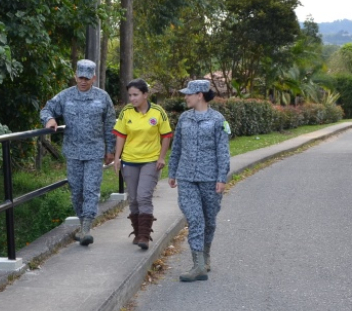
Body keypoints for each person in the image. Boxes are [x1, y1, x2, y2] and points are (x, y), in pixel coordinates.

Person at [40, 60, 116, 246]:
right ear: (75, 76)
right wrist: (49, 120)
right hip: (73, 151)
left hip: (94, 151)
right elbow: (46, 109)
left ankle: (86, 229)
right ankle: (83, 225)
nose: (83, 81)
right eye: (80, 77)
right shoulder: (65, 97)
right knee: (76, 192)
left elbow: (110, 124)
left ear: (94, 78)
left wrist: (111, 150)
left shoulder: (102, 98)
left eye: (87, 78)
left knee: (91, 189)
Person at [167, 79, 230, 282]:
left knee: (209, 221)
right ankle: (197, 265)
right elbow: (176, 147)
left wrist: (222, 178)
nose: (185, 97)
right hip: (186, 177)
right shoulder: (184, 118)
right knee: (195, 220)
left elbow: (223, 151)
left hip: (210, 179)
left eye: (189, 94)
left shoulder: (218, 120)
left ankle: (205, 256)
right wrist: (172, 171)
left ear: (200, 95)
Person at [112, 79, 173, 250]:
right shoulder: (126, 112)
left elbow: (166, 135)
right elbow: (121, 135)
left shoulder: (158, 112)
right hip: (130, 161)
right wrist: (117, 158)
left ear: (145, 95)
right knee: (133, 198)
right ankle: (138, 232)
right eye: (130, 95)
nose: (132, 98)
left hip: (150, 160)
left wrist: (161, 157)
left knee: (143, 195)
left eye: (135, 95)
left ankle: (145, 236)